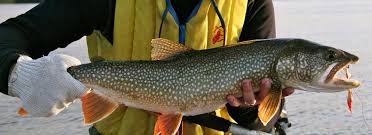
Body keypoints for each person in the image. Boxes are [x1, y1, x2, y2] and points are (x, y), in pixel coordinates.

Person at [0, 0, 295, 134]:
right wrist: (18, 75)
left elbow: (262, 122)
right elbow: (11, 36)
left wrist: (247, 107)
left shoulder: (253, 3)